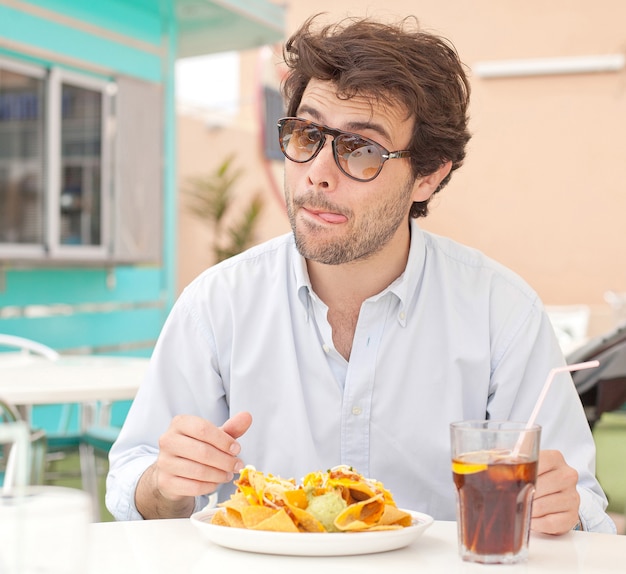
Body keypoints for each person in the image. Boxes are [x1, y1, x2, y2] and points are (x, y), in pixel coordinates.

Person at [106, 15, 615, 534]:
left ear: (428, 175)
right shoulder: (218, 304)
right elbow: (134, 491)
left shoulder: (500, 312)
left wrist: (561, 507)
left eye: (361, 150)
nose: (318, 172)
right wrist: (166, 484)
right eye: (306, 134)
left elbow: (583, 513)